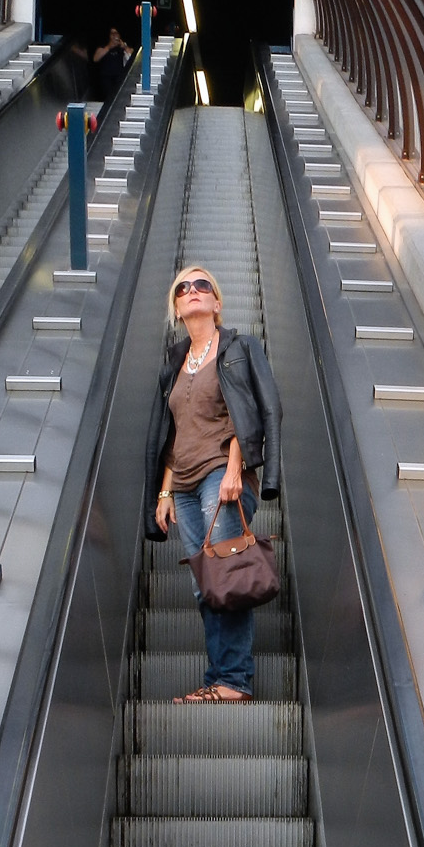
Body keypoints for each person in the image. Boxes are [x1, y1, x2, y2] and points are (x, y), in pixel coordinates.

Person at [146, 266, 282, 702]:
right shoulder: (176, 361)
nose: (192, 291)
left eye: (202, 285)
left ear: (217, 302)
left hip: (218, 475)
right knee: (207, 584)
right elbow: (174, 433)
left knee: (227, 577)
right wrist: (165, 491)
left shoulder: (239, 348)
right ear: (177, 307)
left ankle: (233, 682)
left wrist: (234, 469)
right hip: (183, 484)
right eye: (183, 288)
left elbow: (253, 410)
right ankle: (218, 679)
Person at [94, 25, 134, 96]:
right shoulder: (104, 46)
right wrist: (109, 47)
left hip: (119, 76)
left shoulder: (122, 46)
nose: (115, 36)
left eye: (116, 33)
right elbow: (95, 58)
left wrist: (124, 47)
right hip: (106, 78)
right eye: (112, 34)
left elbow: (133, 55)